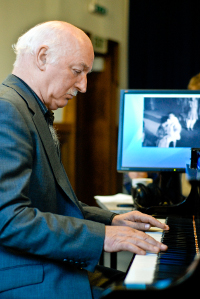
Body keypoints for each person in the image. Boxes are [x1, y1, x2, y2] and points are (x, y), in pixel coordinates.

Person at [0, 21, 169, 299]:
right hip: (29, 279)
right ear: (42, 57)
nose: (84, 86)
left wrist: (113, 220)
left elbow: (51, 203)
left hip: (48, 267)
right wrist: (102, 236)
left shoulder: (26, 109)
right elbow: (9, 220)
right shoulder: (8, 110)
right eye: (77, 71)